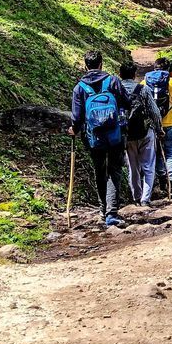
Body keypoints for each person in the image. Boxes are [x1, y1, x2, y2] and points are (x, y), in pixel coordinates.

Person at [70, 50, 132, 228]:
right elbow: (126, 102)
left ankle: (101, 210)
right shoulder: (112, 81)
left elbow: (77, 116)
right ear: (101, 64)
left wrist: (73, 129)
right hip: (115, 134)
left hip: (93, 137)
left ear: (86, 65)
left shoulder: (79, 88)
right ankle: (111, 213)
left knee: (99, 171)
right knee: (114, 170)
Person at [118, 62, 161, 206]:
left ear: (120, 75)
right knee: (148, 166)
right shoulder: (143, 89)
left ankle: (136, 197)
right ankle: (145, 199)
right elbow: (154, 112)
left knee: (133, 167)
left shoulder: (116, 90)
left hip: (127, 135)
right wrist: (159, 128)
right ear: (134, 75)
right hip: (145, 132)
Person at [144, 57, 172, 189]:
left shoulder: (145, 82)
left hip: (154, 125)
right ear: (167, 69)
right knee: (171, 152)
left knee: (158, 153)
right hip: (170, 123)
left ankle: (162, 180)